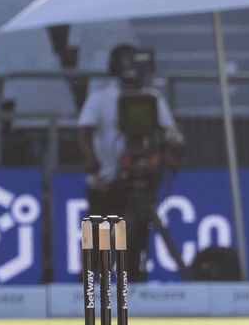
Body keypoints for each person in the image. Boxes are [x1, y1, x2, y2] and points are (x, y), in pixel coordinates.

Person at [79, 43, 184, 281]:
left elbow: (168, 133)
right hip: (105, 178)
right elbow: (84, 130)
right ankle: (93, 283)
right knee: (99, 235)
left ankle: (135, 282)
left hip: (141, 178)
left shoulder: (152, 98)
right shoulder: (100, 98)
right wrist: (91, 159)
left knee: (136, 237)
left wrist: (167, 154)